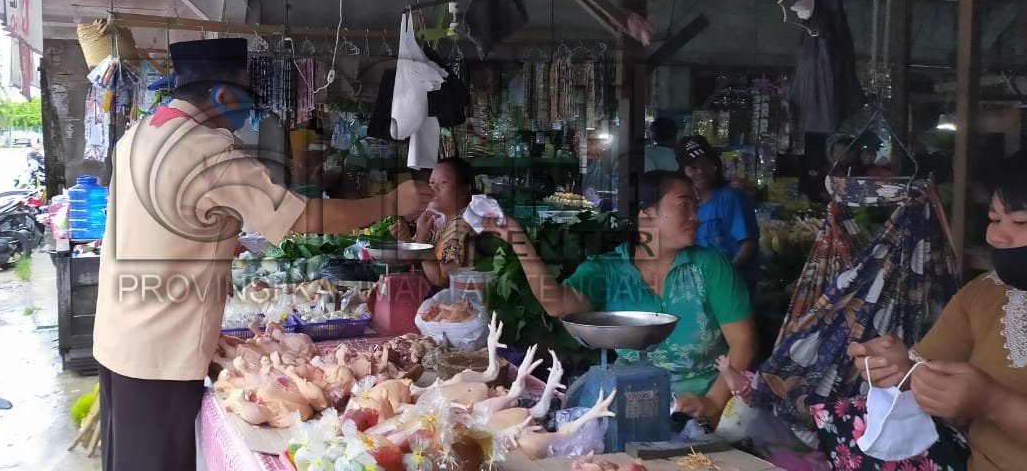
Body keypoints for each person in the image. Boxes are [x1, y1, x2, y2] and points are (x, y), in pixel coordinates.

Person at [92, 38, 432, 471]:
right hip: (161, 351)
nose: (249, 114)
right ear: (222, 96)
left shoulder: (141, 132)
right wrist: (390, 202)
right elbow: (302, 218)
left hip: (120, 335)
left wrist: (209, 242)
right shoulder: (207, 151)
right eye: (247, 96)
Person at [485, 170, 757, 425]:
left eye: (696, 207)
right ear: (646, 214)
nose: (695, 216)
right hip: (632, 404)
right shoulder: (609, 269)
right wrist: (519, 241)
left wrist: (712, 402)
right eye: (684, 205)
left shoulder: (710, 266)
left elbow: (744, 343)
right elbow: (557, 303)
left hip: (710, 411)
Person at [841, 154, 1027, 471]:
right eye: (994, 220)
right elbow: (925, 368)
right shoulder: (984, 295)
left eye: (1021, 222)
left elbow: (984, 399)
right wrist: (900, 370)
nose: (996, 236)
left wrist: (994, 402)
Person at [676, 136, 761, 294]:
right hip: (698, 288)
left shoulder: (731, 198)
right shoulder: (683, 206)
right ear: (683, 172)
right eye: (693, 167)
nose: (701, 172)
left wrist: (725, 277)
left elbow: (749, 245)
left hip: (733, 287)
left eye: (706, 164)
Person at [390, 157, 477, 289]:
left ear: (465, 189)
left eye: (443, 182)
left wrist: (421, 240)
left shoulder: (461, 224)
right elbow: (413, 258)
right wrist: (405, 239)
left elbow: (440, 280)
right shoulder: (440, 221)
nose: (434, 188)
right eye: (431, 183)